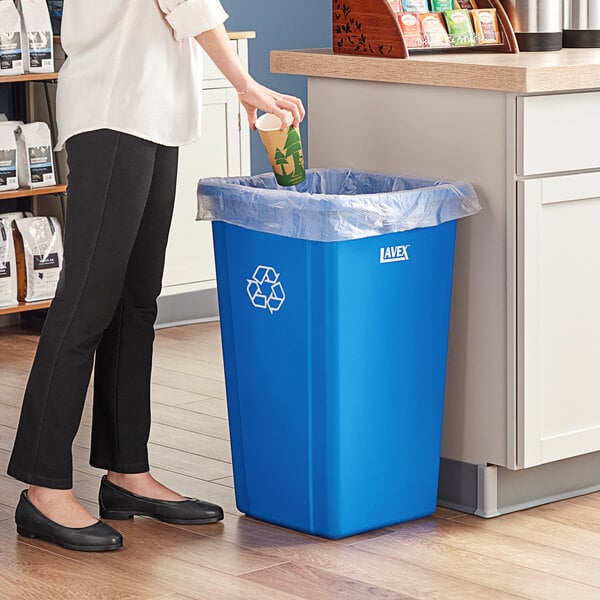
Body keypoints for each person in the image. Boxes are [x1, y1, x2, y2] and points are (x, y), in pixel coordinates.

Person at [7, 0, 305, 552]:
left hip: (151, 113)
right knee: (88, 302)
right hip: (114, 108)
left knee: (135, 302)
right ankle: (43, 486)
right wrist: (245, 83)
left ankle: (127, 473)